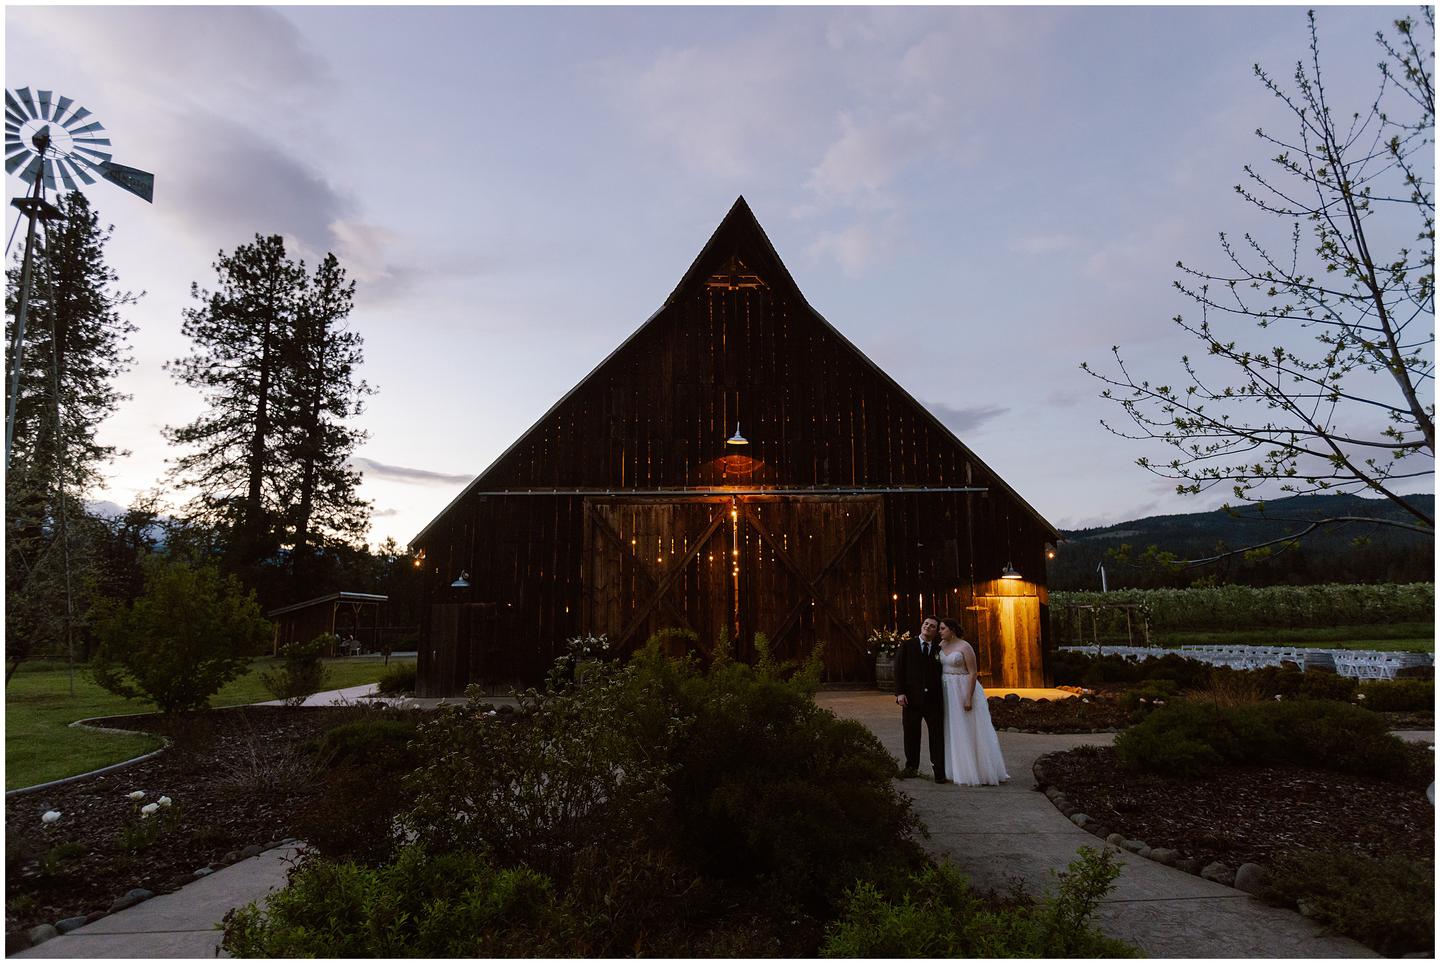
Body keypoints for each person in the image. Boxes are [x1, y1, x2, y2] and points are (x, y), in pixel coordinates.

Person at [937, 617, 1009, 786]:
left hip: (962, 687)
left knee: (968, 728)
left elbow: (972, 672)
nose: (940, 632)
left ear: (952, 630)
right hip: (946, 690)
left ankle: (974, 770)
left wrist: (968, 697)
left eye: (942, 628)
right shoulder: (940, 646)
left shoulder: (964, 646)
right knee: (952, 729)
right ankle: (954, 768)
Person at [894, 615, 947, 783]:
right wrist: (900, 693)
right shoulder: (908, 645)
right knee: (911, 734)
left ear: (936, 631)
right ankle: (911, 768)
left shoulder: (940, 650)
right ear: (922, 625)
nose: (928, 627)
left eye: (932, 626)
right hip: (911, 700)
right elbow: (898, 670)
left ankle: (939, 771)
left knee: (937, 737)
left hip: (934, 701)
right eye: (926, 624)